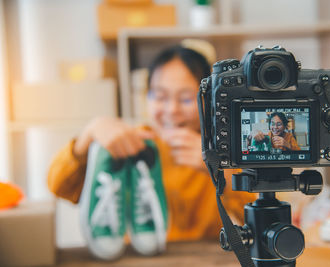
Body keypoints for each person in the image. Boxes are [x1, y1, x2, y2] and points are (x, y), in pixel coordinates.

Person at [47, 41, 255, 260]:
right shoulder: (129, 144)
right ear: (146, 97)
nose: (171, 110)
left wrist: (221, 171)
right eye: (160, 96)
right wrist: (89, 134)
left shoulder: (222, 151)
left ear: (209, 102)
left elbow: (261, 215)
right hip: (133, 259)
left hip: (201, 259)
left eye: (185, 98)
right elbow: (59, 186)